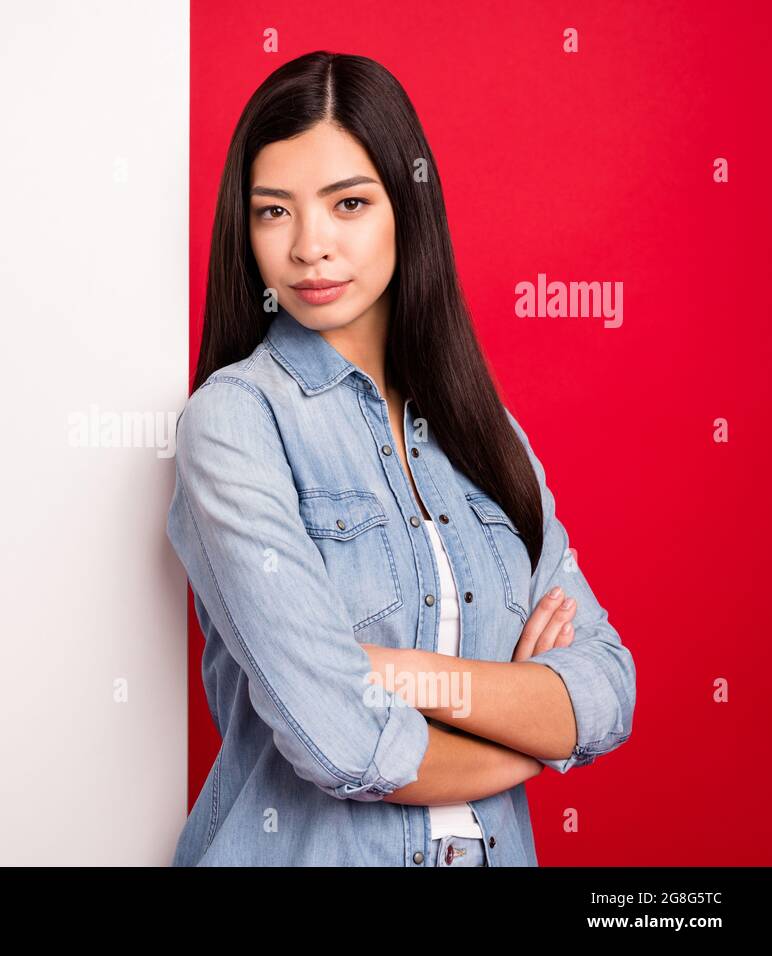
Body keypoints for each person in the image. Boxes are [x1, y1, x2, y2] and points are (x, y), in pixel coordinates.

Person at [166, 51, 636, 866]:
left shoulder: (489, 434)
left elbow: (604, 692)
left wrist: (402, 673)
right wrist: (522, 740)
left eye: (348, 203)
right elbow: (341, 742)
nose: (311, 246)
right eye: (274, 212)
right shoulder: (235, 425)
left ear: (406, 209)